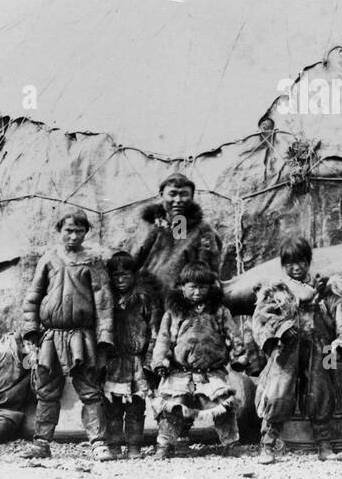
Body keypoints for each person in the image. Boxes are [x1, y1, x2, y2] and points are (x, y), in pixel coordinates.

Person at [20, 209, 117, 461]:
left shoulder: (93, 262)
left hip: (81, 337)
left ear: (86, 232)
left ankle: (98, 443)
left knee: (90, 390)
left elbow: (104, 301)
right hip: (52, 336)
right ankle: (42, 442)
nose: (73, 236)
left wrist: (104, 337)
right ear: (59, 231)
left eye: (79, 231)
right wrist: (31, 329)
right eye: (68, 231)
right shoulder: (49, 259)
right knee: (47, 390)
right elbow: (33, 296)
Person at [251, 236, 342, 465]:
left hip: (323, 350)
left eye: (302, 262)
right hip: (286, 352)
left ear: (309, 262)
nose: (296, 268)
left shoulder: (326, 289)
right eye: (290, 263)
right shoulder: (276, 292)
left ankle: (324, 444)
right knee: (278, 393)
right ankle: (267, 445)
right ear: (283, 265)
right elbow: (261, 320)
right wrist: (282, 329)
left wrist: (341, 340)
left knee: (323, 390)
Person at [150, 262, 246, 459]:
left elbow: (233, 334)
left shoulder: (219, 311)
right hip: (180, 370)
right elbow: (164, 339)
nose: (197, 292)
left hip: (211, 371)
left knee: (224, 406)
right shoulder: (174, 313)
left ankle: (231, 443)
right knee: (173, 408)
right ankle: (165, 444)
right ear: (182, 287)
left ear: (210, 288)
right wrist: (160, 362)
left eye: (202, 287)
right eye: (192, 287)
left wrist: (239, 356)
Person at [103, 250, 161, 458]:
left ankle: (134, 446)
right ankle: (114, 446)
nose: (120, 279)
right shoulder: (105, 300)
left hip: (137, 362)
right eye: (116, 275)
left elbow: (155, 331)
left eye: (125, 275)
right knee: (112, 408)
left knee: (136, 407)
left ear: (134, 275)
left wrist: (149, 362)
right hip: (113, 362)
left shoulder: (144, 299)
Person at [133, 173, 223, 307]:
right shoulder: (149, 225)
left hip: (185, 301)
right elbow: (132, 259)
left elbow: (209, 269)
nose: (178, 199)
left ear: (192, 197)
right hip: (148, 299)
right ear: (161, 195)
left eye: (184, 194)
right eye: (172, 194)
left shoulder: (202, 229)